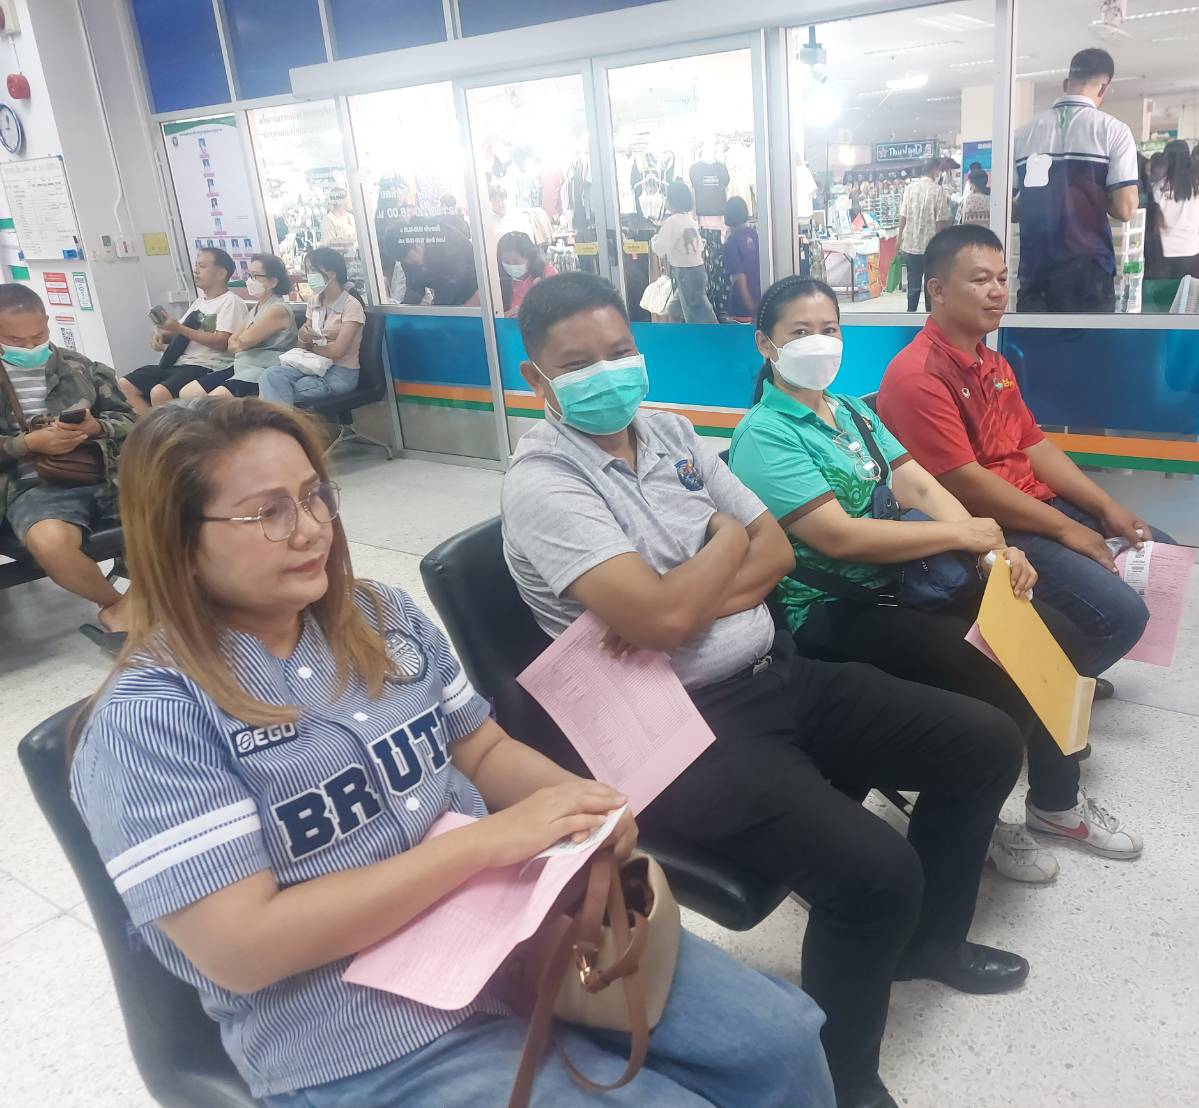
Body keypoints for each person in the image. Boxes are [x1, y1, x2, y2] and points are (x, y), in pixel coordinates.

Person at [68, 396, 834, 1108]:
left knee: (782, 1038)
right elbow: (244, 948)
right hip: (357, 1029)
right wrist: (482, 847)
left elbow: (480, 748)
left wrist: (580, 804)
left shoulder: (379, 616)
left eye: (314, 496)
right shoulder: (154, 720)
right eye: (267, 513)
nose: (309, 529)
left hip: (516, 936)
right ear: (180, 542)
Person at [501, 272, 1029, 1108]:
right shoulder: (546, 485)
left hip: (774, 672)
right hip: (680, 728)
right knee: (875, 873)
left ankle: (926, 945)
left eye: (619, 351)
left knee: (986, 742)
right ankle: (840, 1084)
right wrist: (719, 543)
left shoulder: (669, 431)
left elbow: (773, 555)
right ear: (537, 378)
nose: (606, 373)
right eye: (576, 363)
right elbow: (675, 611)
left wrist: (681, 598)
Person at [729, 274, 1141, 888]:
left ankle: (1057, 803)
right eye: (800, 332)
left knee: (1058, 636)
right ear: (766, 344)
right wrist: (962, 536)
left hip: (904, 580)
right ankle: (974, 814)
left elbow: (918, 484)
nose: (819, 342)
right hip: (833, 608)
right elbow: (839, 537)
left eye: (830, 329)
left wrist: (991, 549)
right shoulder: (764, 434)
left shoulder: (849, 411)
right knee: (994, 675)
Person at [879, 224, 1174, 725]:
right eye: (980, 280)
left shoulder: (993, 363)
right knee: (1121, 615)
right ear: (937, 290)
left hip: (1029, 505)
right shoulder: (919, 376)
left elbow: (1034, 445)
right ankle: (1023, 699)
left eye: (1002, 278)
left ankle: (1060, 671)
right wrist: (1067, 529)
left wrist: (1106, 508)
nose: (997, 291)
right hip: (987, 526)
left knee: (1155, 548)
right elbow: (966, 483)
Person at [0, 282, 135, 631]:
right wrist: (26, 444)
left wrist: (97, 427)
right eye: (15, 340)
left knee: (192, 510)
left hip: (105, 473)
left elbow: (130, 420)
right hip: (33, 487)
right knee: (51, 544)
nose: (29, 347)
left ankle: (156, 600)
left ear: (47, 322)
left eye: (37, 336)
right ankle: (116, 606)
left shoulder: (81, 367)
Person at [1013, 48, 1139, 312]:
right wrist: (1090, 195)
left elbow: (1011, 207)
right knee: (1088, 340)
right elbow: (1125, 209)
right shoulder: (1113, 131)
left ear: (1065, 83)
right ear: (1103, 87)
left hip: (1036, 269)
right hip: (1089, 270)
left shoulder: (1023, 134)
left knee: (1035, 339)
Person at [120, 247, 249, 413]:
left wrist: (179, 328)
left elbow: (221, 342)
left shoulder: (231, 302)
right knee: (125, 385)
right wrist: (163, 336)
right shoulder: (199, 302)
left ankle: (169, 428)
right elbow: (180, 332)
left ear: (221, 273)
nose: (196, 271)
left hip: (207, 365)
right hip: (180, 363)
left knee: (159, 392)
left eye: (202, 266)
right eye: (196, 265)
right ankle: (150, 425)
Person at [180, 254, 297, 399]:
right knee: (187, 393)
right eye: (249, 275)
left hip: (262, 370)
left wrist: (241, 342)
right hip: (241, 365)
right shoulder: (257, 307)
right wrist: (241, 342)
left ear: (273, 282)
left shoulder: (277, 309)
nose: (249, 280)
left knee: (212, 402)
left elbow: (243, 341)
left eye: (255, 276)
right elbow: (232, 344)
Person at [259, 248, 364, 409]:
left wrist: (312, 347)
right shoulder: (314, 302)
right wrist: (303, 337)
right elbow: (302, 347)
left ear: (332, 273)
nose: (309, 275)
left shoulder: (351, 305)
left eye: (314, 270)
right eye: (308, 270)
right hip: (313, 365)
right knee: (270, 375)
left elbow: (337, 351)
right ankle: (281, 422)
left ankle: (281, 423)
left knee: (286, 389)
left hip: (340, 372)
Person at [650, 181, 717, 324]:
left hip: (686, 273)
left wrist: (653, 239)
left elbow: (660, 248)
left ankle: (714, 334)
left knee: (695, 315)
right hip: (698, 270)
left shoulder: (672, 222)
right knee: (675, 308)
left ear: (672, 200)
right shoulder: (689, 220)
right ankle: (683, 332)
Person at [896, 156, 953, 312]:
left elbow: (903, 215)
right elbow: (940, 220)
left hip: (911, 245)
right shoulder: (938, 191)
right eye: (939, 170)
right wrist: (940, 245)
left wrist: (899, 238)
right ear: (934, 170)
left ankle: (911, 315)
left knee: (913, 285)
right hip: (930, 247)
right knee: (931, 285)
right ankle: (929, 316)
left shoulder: (910, 189)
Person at [1153, 140, 1199, 283]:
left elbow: (1156, 223)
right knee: (1189, 294)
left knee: (1165, 294)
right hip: (1190, 250)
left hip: (1164, 251)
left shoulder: (1159, 187)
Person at [495, 231, 557, 318]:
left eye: (516, 262)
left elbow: (559, 308)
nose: (511, 266)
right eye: (506, 262)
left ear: (530, 259)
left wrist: (526, 309)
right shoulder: (499, 280)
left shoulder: (546, 273)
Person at [722, 196, 761, 323]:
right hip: (758, 294)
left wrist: (747, 301)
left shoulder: (731, 241)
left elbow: (739, 274)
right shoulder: (754, 234)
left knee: (740, 332)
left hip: (741, 302)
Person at [318, 188, 357, 254]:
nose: (351, 201)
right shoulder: (328, 220)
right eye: (348, 199)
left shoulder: (351, 217)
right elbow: (327, 247)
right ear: (340, 201)